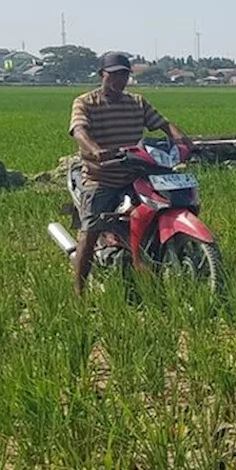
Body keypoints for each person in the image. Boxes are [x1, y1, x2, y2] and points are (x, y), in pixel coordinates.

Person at [68, 51, 191, 294]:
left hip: (136, 174)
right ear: (102, 75)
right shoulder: (85, 102)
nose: (119, 80)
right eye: (114, 75)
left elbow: (162, 123)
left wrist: (180, 138)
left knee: (160, 208)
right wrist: (96, 150)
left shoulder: (137, 102)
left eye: (124, 75)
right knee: (90, 230)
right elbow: (79, 131)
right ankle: (79, 290)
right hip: (102, 176)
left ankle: (148, 259)